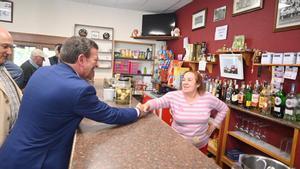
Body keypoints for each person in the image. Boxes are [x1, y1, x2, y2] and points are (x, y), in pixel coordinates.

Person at [0, 36, 148, 169]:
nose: (96, 65)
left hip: (11, 153)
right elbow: (110, 115)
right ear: (81, 59)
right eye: (95, 60)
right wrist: (138, 111)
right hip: (37, 161)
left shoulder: (42, 72)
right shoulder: (79, 89)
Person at [141, 70, 228, 152]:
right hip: (177, 144)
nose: (185, 82)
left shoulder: (207, 98)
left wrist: (213, 125)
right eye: (183, 80)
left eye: (189, 80)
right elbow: (158, 102)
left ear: (197, 84)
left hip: (200, 146)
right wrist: (147, 105)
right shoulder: (174, 96)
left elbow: (224, 108)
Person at [0, 26, 22, 147]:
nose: (9, 52)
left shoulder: (3, 68)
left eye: (10, 47)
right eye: (5, 46)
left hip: (11, 142)